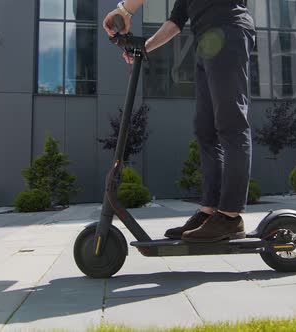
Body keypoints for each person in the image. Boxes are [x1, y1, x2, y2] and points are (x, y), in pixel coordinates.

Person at [103, 0, 255, 243]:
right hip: (206, 42)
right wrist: (144, 47)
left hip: (229, 30)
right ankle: (209, 212)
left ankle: (230, 216)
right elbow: (176, 21)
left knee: (231, 124)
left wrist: (124, 9)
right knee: (205, 131)